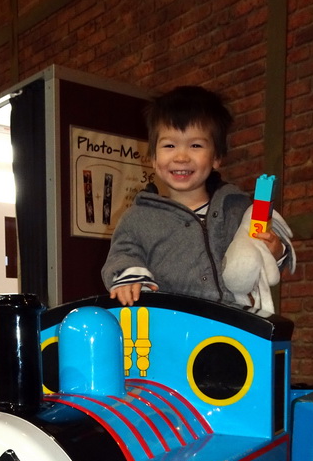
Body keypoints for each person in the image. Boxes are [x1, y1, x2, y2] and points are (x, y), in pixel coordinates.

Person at [101, 85, 294, 313]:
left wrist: (276, 251)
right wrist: (128, 278)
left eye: (195, 145)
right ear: (153, 157)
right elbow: (123, 254)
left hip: (233, 324)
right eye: (169, 145)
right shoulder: (139, 217)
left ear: (216, 157)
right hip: (168, 328)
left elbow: (267, 263)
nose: (181, 157)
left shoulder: (236, 209)